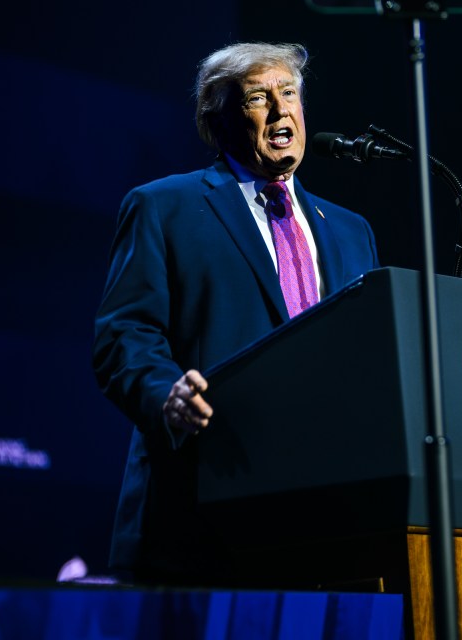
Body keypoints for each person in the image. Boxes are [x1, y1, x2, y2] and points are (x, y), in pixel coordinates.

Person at [93, 42, 379, 583]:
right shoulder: (165, 207)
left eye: (288, 93)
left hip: (327, 521)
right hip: (202, 508)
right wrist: (167, 395)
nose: (280, 109)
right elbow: (123, 335)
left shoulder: (351, 231)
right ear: (218, 118)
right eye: (257, 98)